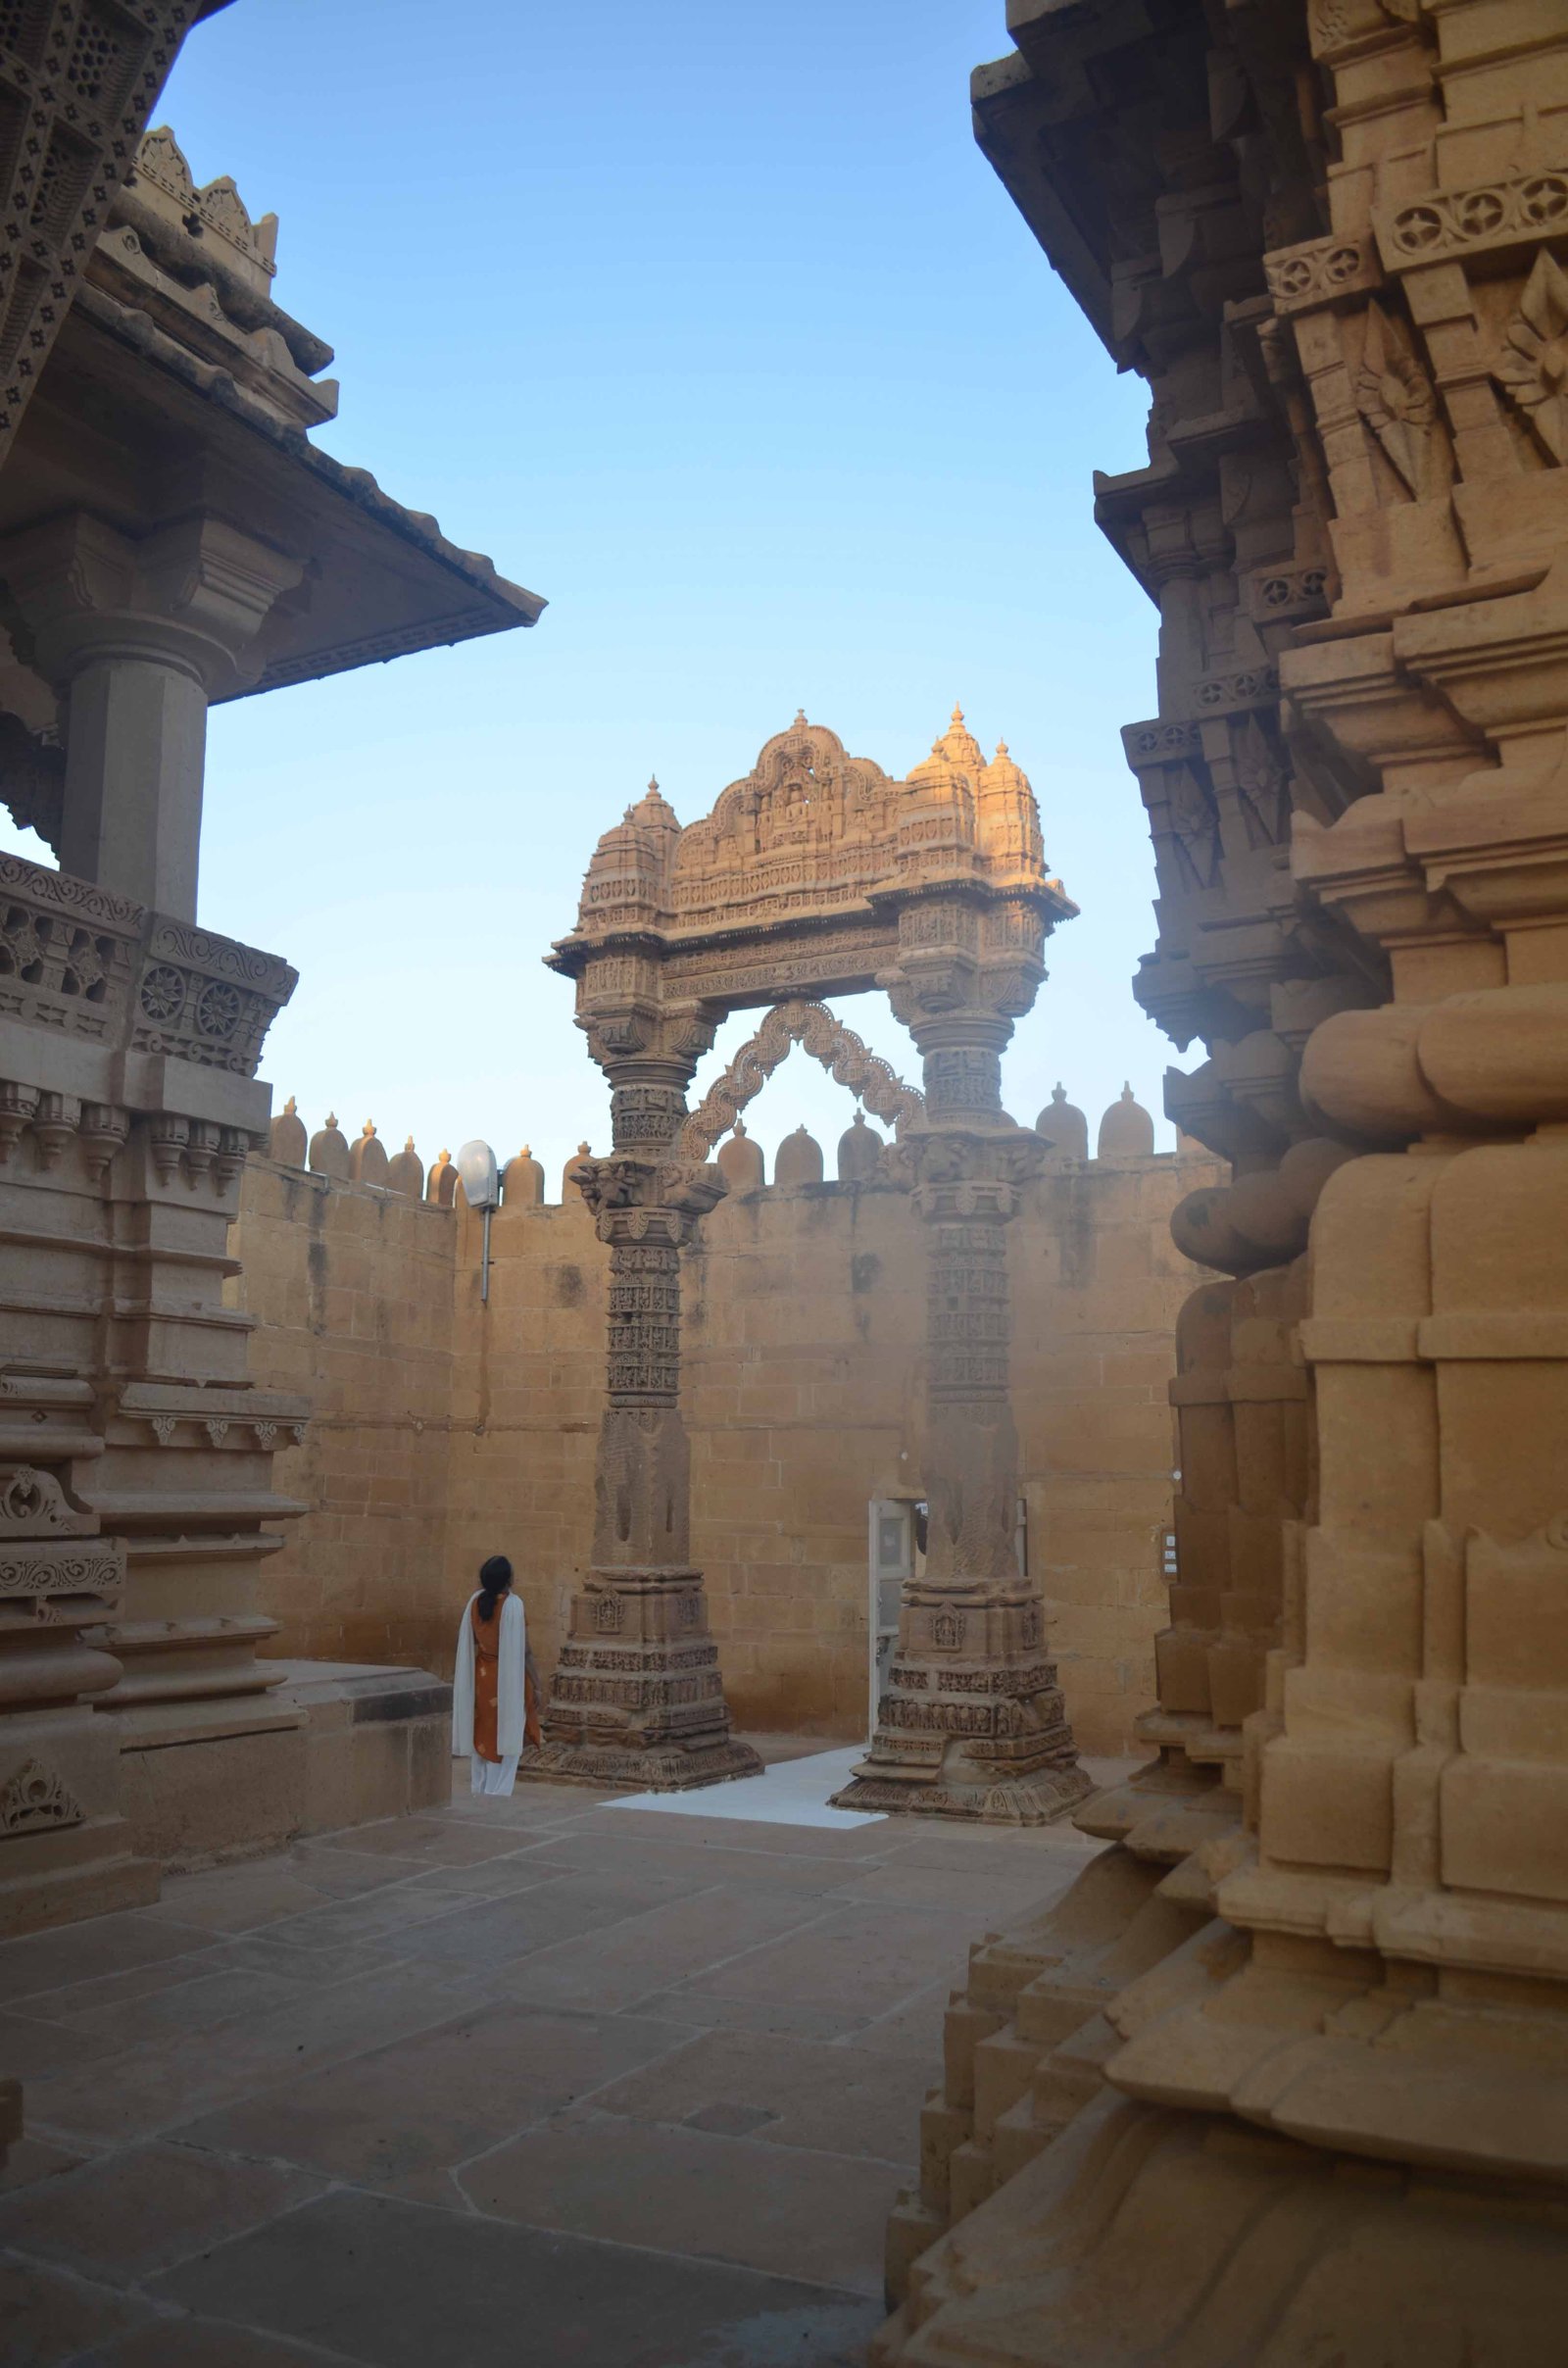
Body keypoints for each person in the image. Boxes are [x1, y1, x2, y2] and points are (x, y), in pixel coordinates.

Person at [451, 1554, 542, 1798]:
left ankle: (480, 1787)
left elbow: (472, 1639)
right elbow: (526, 1651)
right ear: (508, 1579)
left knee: (483, 1730)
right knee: (507, 1731)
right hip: (508, 1677)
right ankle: (498, 1790)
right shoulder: (513, 1605)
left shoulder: (475, 1603)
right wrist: (538, 1684)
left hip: (482, 1677)